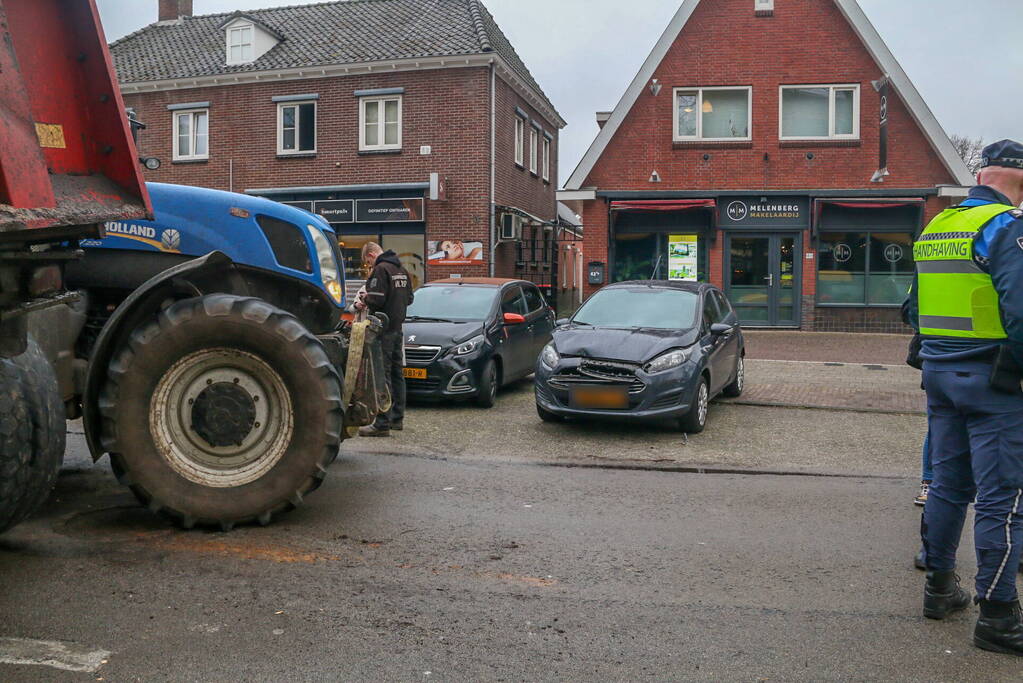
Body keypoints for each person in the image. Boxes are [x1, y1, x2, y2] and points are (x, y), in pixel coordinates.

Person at [905, 139, 1023, 654]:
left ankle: (939, 589)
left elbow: (913, 309)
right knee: (1005, 499)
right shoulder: (1006, 227)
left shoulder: (938, 226)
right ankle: (998, 616)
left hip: (940, 374)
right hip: (996, 381)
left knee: (948, 486)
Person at [356, 242, 413, 437]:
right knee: (398, 375)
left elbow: (376, 299)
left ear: (372, 254)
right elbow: (410, 299)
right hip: (398, 329)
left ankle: (382, 423)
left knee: (383, 375)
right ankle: (397, 419)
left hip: (383, 328)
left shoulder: (381, 270)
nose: (369, 265)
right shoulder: (402, 269)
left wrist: (365, 298)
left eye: (368, 261)